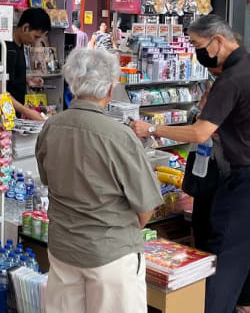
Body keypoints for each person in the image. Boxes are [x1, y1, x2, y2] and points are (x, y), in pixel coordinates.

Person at [130, 15, 250, 313]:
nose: (196, 51)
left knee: (224, 263)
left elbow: (200, 132)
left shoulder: (231, 79)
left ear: (218, 41)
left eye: (196, 44)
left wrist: (151, 129)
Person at [36, 48, 162, 313]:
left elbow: (48, 181)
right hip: (111, 253)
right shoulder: (119, 135)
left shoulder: (51, 127)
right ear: (110, 88)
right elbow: (146, 207)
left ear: (73, 82)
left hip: (63, 249)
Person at [5, 8, 50, 121]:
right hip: (6, 114)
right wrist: (28, 112)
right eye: (36, 37)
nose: (36, 42)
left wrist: (28, 79)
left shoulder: (20, 45)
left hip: (14, 114)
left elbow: (11, 75)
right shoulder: (9, 50)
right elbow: (0, 89)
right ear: (25, 28)